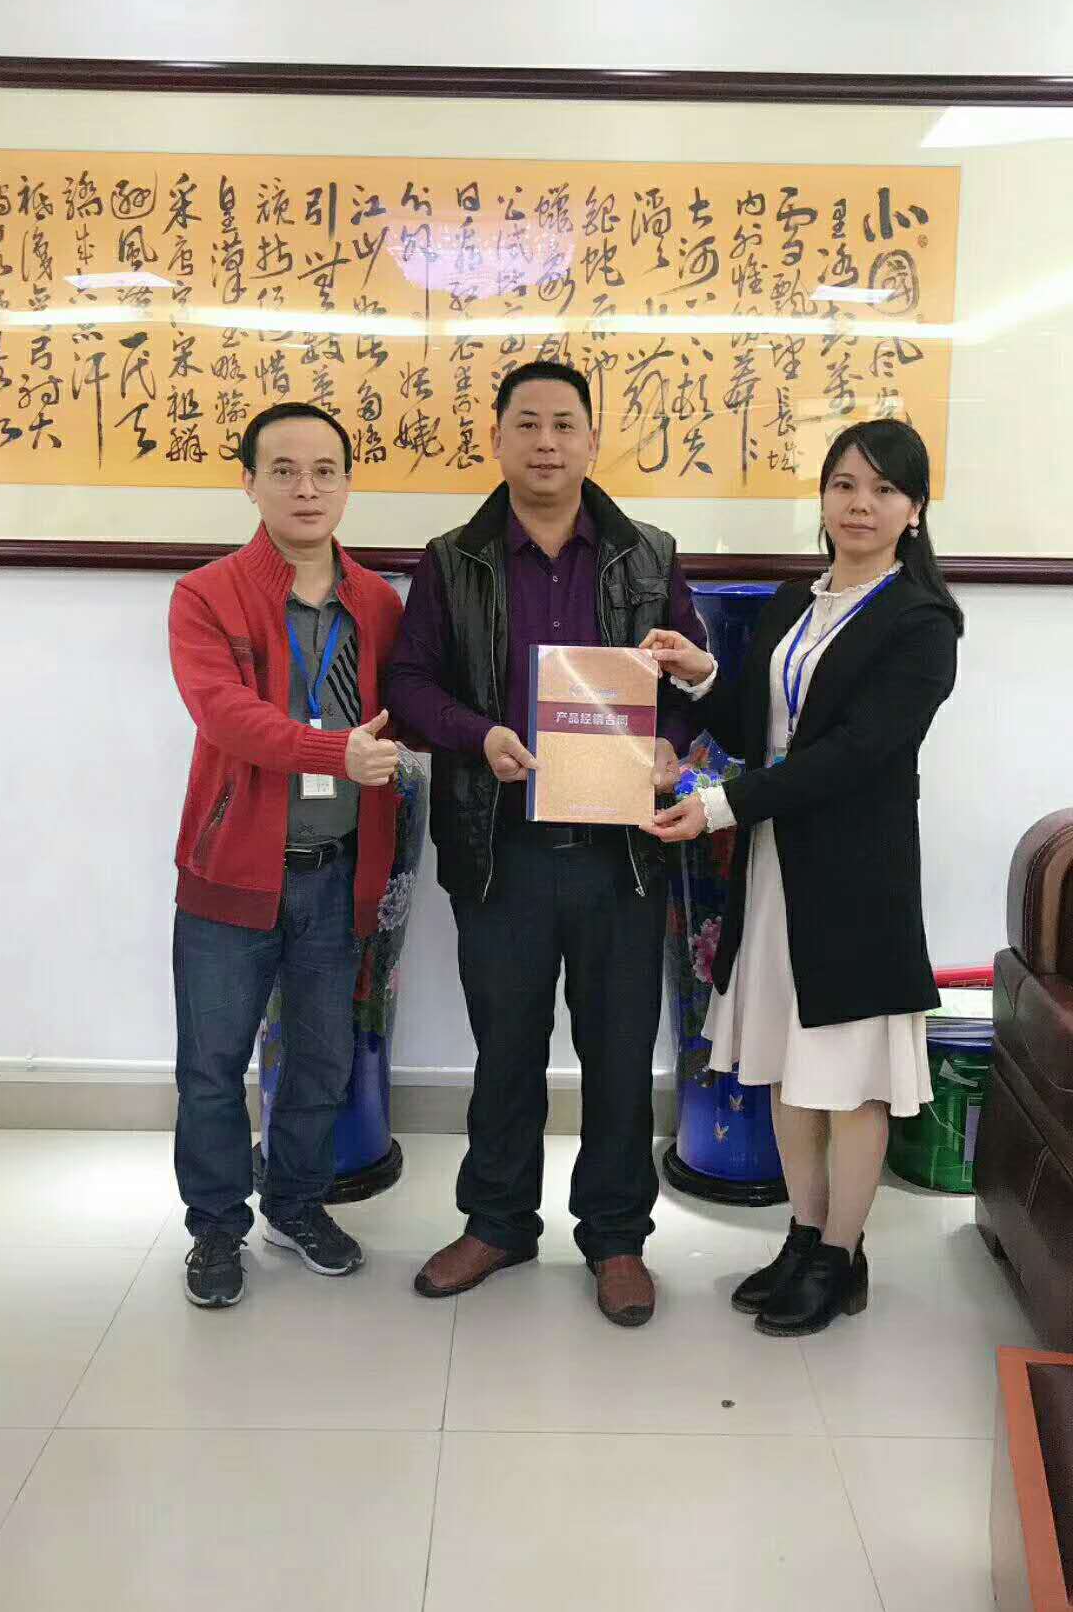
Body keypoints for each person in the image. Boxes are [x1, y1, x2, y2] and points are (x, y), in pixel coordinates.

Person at [385, 361, 708, 1327]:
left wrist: (669, 744)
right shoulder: (453, 561)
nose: (546, 442)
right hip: (502, 851)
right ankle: (497, 1222)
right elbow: (408, 687)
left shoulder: (649, 556)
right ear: (497, 438)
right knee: (506, 1050)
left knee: (619, 1054)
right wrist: (478, 734)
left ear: (592, 440)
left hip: (622, 856)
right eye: (526, 423)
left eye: (565, 424)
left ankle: (615, 1237)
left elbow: (693, 686)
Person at [643, 418, 961, 1336]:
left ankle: (841, 1258)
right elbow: (759, 731)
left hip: (857, 884)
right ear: (822, 498)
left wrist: (723, 806)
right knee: (787, 1067)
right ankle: (805, 1235)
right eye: (844, 485)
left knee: (850, 1083)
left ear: (914, 510)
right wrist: (703, 675)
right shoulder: (795, 604)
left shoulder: (922, 621)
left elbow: (857, 753)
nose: (861, 505)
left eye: (884, 490)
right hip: (776, 872)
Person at [169, 400, 403, 1309]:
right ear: (249, 482)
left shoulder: (377, 603)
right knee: (211, 1068)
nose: (307, 489)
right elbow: (224, 714)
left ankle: (297, 1206)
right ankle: (215, 1228)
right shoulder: (207, 594)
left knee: (321, 1063)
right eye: (284, 470)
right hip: (231, 875)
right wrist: (331, 751)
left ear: (347, 483)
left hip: (338, 874)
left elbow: (415, 704)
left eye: (325, 471)